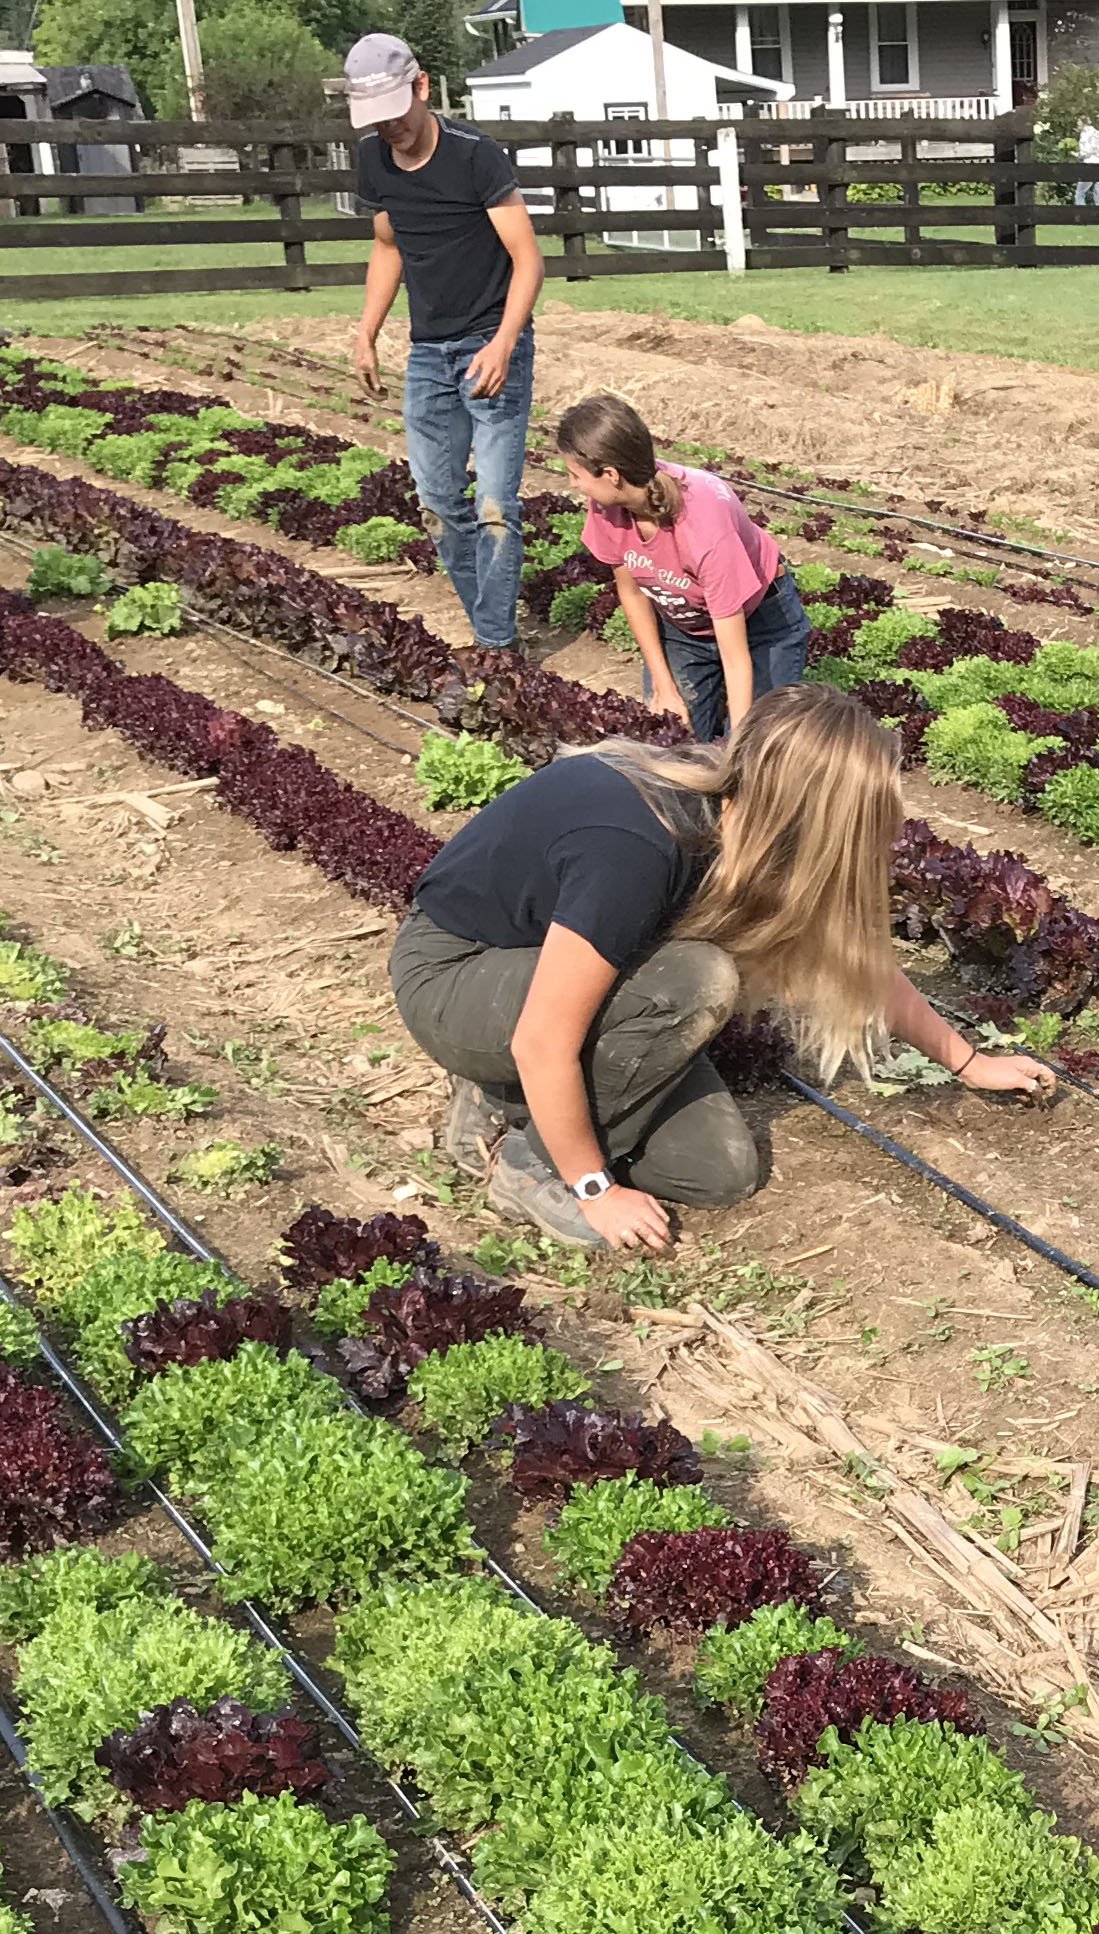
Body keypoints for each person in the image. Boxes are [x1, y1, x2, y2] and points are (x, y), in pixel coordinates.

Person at [390, 684, 1052, 1251]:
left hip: (541, 998)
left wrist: (969, 1062)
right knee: (700, 980)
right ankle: (531, 1164)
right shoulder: (635, 845)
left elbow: (856, 960)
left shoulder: (749, 823)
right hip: (456, 974)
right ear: (807, 822)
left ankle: (502, 1094)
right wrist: (594, 1189)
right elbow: (543, 1039)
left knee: (721, 1171)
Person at [342, 31, 544, 651]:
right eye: (374, 120)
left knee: (493, 504)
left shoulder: (474, 155)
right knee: (436, 504)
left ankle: (494, 646)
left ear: (422, 88)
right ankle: (491, 630)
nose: (388, 131)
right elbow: (387, 246)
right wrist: (367, 333)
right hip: (429, 353)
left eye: (395, 115)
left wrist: (505, 342)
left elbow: (528, 259)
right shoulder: (373, 160)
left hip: (490, 344)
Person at [556, 392, 811, 743]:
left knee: (759, 747)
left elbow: (736, 659)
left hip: (760, 622)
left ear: (611, 474)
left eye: (575, 474)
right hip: (684, 628)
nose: (572, 484)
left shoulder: (704, 530)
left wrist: (739, 747)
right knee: (670, 742)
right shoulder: (605, 506)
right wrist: (664, 687)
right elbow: (631, 591)